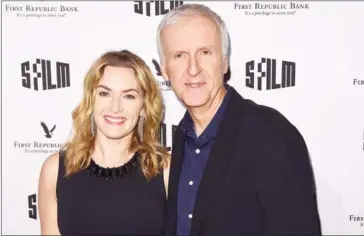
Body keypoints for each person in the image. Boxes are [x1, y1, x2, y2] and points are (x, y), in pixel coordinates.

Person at [156, 4, 322, 236]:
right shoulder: (182, 137)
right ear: (164, 69)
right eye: (179, 55)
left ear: (225, 62)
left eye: (205, 52)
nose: (193, 68)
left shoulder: (271, 134)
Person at [38, 50, 170, 235]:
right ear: (91, 100)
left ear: (144, 107)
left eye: (129, 96)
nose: (115, 107)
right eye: (104, 94)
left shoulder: (164, 169)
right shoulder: (55, 169)